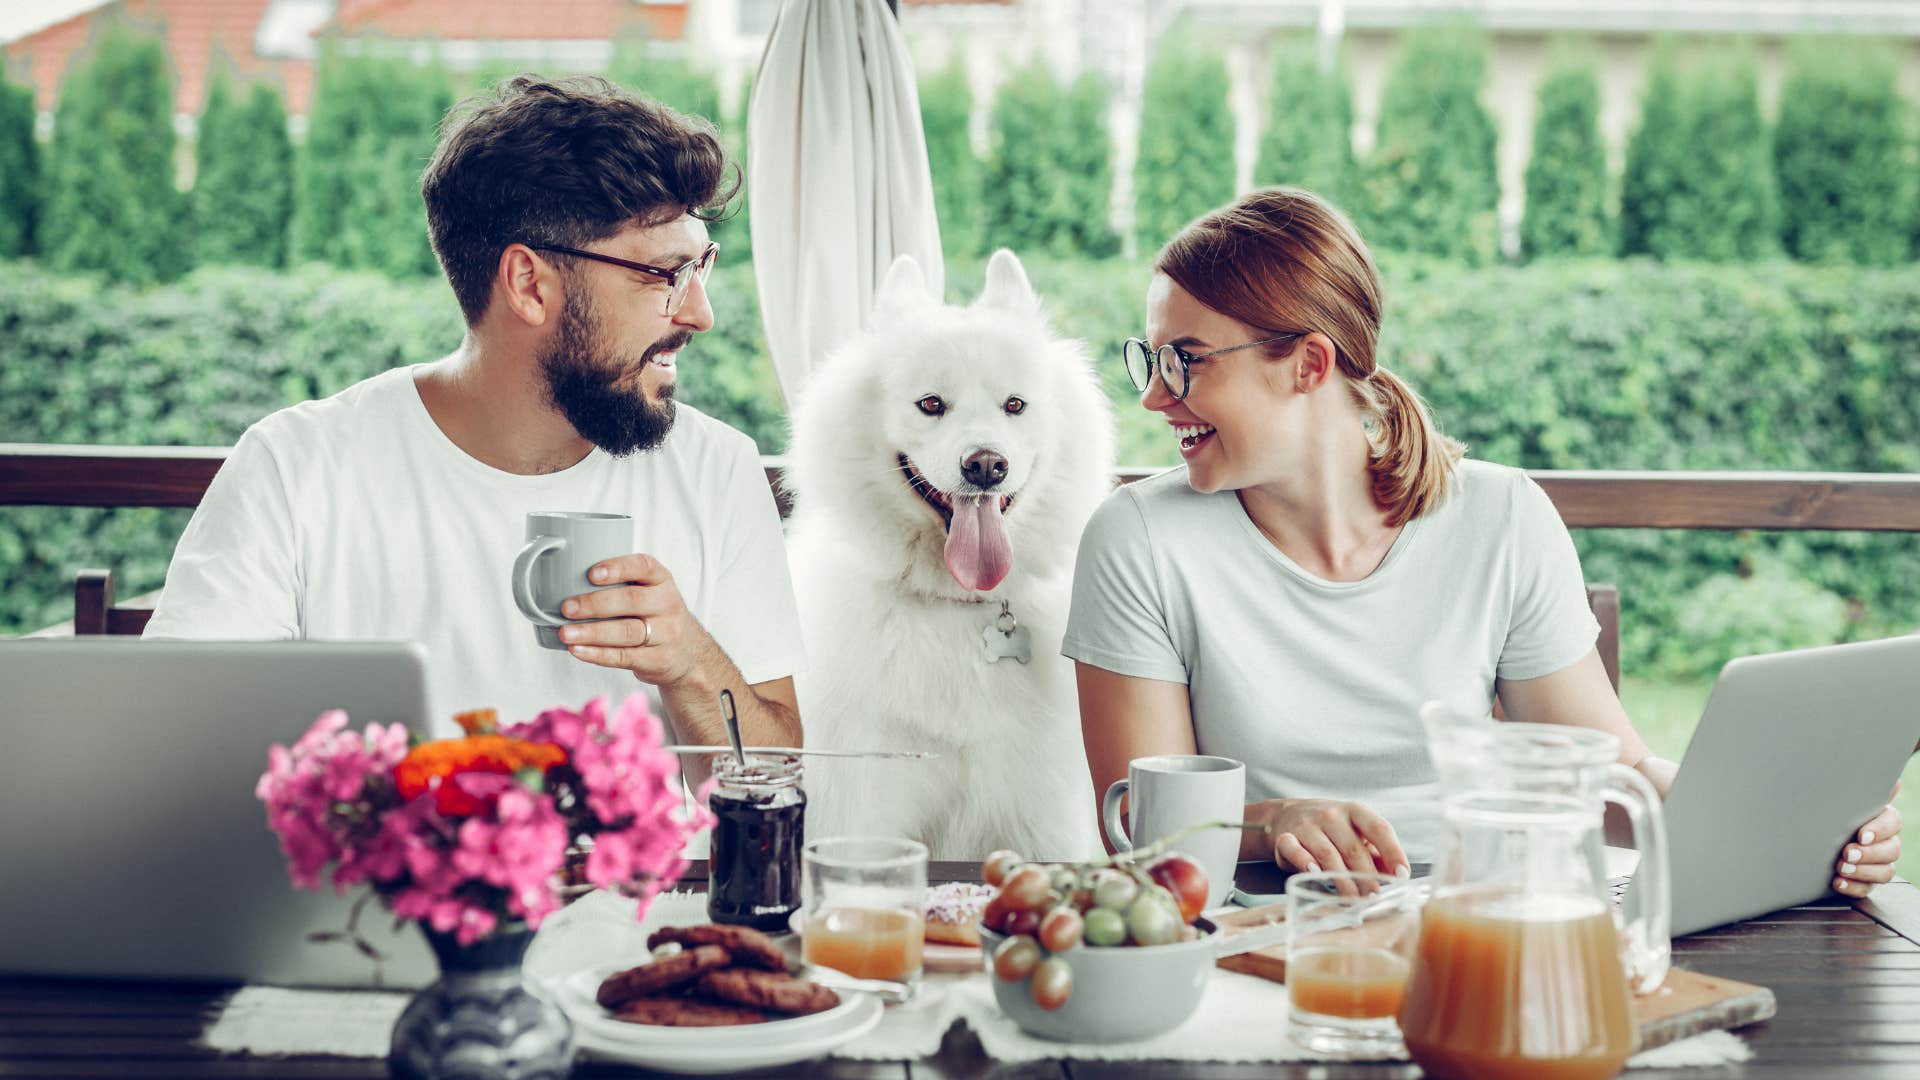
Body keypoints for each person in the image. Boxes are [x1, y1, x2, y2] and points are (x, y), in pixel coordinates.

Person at [1064, 187, 1901, 898]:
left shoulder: (1501, 517)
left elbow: (1613, 776)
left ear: (1309, 364)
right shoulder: (1139, 541)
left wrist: (1804, 821)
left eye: (1186, 360)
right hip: (1267, 924)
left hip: (1487, 912)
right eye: (1152, 361)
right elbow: (1140, 823)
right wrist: (1278, 821)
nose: (1154, 398)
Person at [146, 76, 803, 786]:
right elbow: (178, 752)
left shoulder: (716, 469)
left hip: (656, 899)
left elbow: (784, 781)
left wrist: (688, 661)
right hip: (379, 896)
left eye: (700, 263)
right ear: (528, 283)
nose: (700, 313)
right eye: (664, 272)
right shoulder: (294, 468)